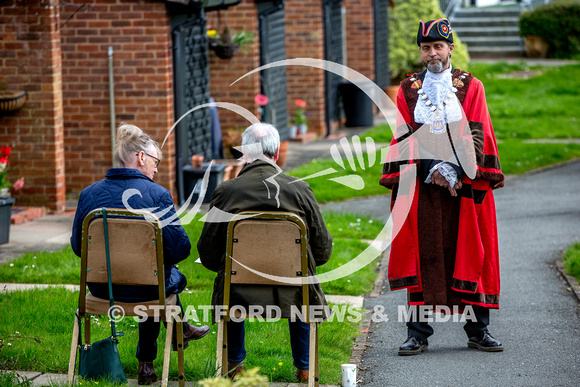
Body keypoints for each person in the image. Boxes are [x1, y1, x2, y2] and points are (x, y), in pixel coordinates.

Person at [379, 18, 504, 356]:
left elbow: (477, 132)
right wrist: (431, 169)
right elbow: (404, 135)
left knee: (471, 251)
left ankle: (479, 330)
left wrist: (452, 169)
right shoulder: (407, 90)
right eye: (425, 47)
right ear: (420, 51)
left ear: (450, 48)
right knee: (422, 256)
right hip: (423, 186)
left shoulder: (471, 86)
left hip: (463, 187)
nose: (432, 53)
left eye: (437, 46)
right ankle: (417, 333)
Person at [70, 123, 210, 385]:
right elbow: (180, 249)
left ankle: (162, 349)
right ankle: (155, 354)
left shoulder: (88, 195)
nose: (157, 168)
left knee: (154, 277)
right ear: (141, 157)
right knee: (159, 280)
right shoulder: (157, 195)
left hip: (102, 289)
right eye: (155, 161)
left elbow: (79, 248)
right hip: (147, 291)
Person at [197, 123, 333, 382]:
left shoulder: (226, 191)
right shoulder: (300, 189)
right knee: (303, 279)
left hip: (238, 292)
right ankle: (305, 368)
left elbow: (208, 252)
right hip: (292, 290)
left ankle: (234, 365)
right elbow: (322, 250)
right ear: (278, 152)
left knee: (230, 282)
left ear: (245, 154)